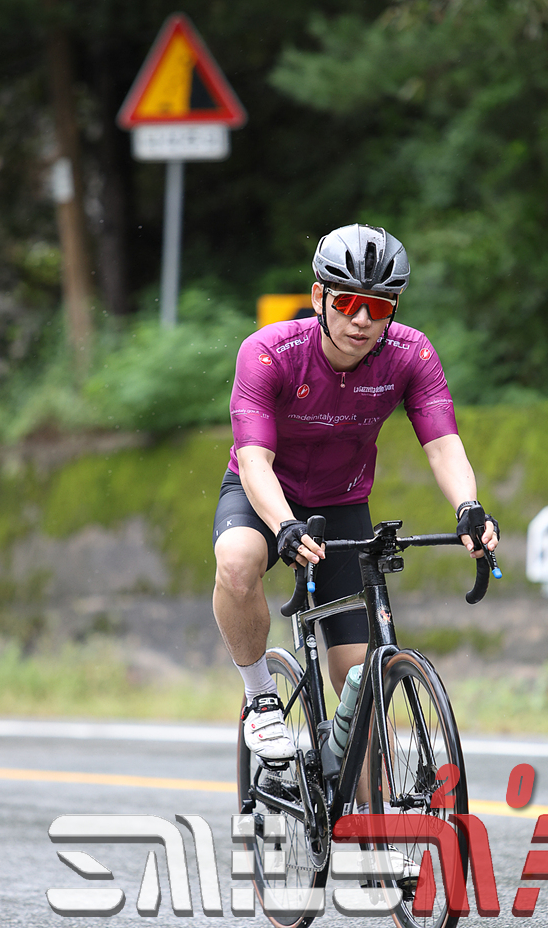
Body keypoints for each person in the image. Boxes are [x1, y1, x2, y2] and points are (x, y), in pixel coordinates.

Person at [212, 223, 499, 762]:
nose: (362, 320)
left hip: (341, 504)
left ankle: (364, 816)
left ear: (393, 309)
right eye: (347, 302)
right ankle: (261, 698)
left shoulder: (411, 355)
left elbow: (443, 445)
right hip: (264, 494)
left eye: (379, 306)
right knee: (237, 560)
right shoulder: (269, 352)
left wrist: (468, 507)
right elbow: (253, 460)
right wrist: (284, 525)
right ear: (319, 297)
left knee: (360, 698)